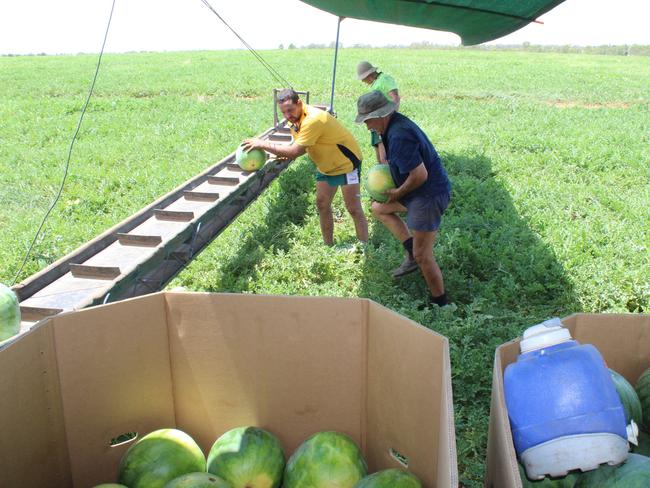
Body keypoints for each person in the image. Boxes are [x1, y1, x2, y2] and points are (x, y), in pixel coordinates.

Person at [355, 90, 451, 307]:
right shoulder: (393, 127)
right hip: (418, 192)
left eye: (368, 120)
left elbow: (419, 175)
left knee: (423, 255)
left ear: (381, 115)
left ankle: (440, 303)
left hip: (427, 195)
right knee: (379, 208)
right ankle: (410, 251)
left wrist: (398, 193)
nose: (367, 126)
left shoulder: (399, 135)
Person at [242, 88, 368, 246]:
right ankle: (328, 247)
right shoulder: (295, 120)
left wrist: (262, 144)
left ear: (299, 103)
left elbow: (295, 151)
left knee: (353, 208)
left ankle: (364, 247)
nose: (288, 115)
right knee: (322, 204)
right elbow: (303, 145)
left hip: (346, 164)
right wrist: (278, 154)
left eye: (290, 110)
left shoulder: (313, 119)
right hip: (326, 165)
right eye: (284, 112)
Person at [357, 61, 400, 164]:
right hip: (376, 121)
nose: (363, 81)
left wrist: (391, 117)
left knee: (384, 155)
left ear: (369, 75)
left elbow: (395, 97)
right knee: (378, 151)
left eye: (363, 78)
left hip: (383, 121)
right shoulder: (375, 83)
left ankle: (387, 175)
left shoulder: (385, 79)